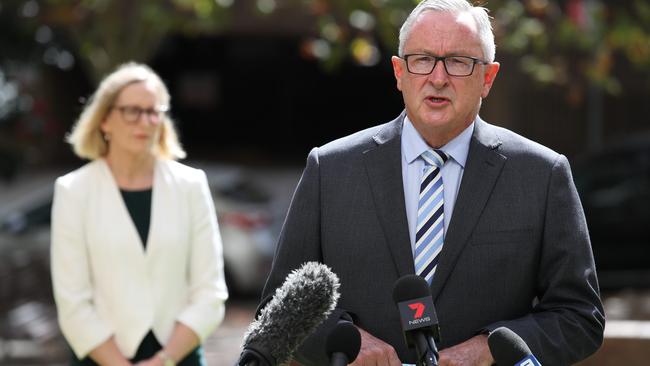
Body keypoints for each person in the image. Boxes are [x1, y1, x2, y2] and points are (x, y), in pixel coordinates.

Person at [261, 1, 605, 365]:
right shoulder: (330, 169)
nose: (437, 78)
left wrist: (489, 349)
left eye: (458, 62)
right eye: (422, 59)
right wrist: (345, 343)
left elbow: (579, 316)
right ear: (398, 72)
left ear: (487, 78)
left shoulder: (541, 175)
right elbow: (277, 307)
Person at [51, 62, 228, 366]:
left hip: (178, 358)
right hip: (99, 359)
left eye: (153, 111)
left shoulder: (191, 185)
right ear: (105, 120)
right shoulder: (73, 190)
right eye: (132, 111)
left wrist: (164, 359)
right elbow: (73, 302)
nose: (145, 122)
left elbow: (210, 293)